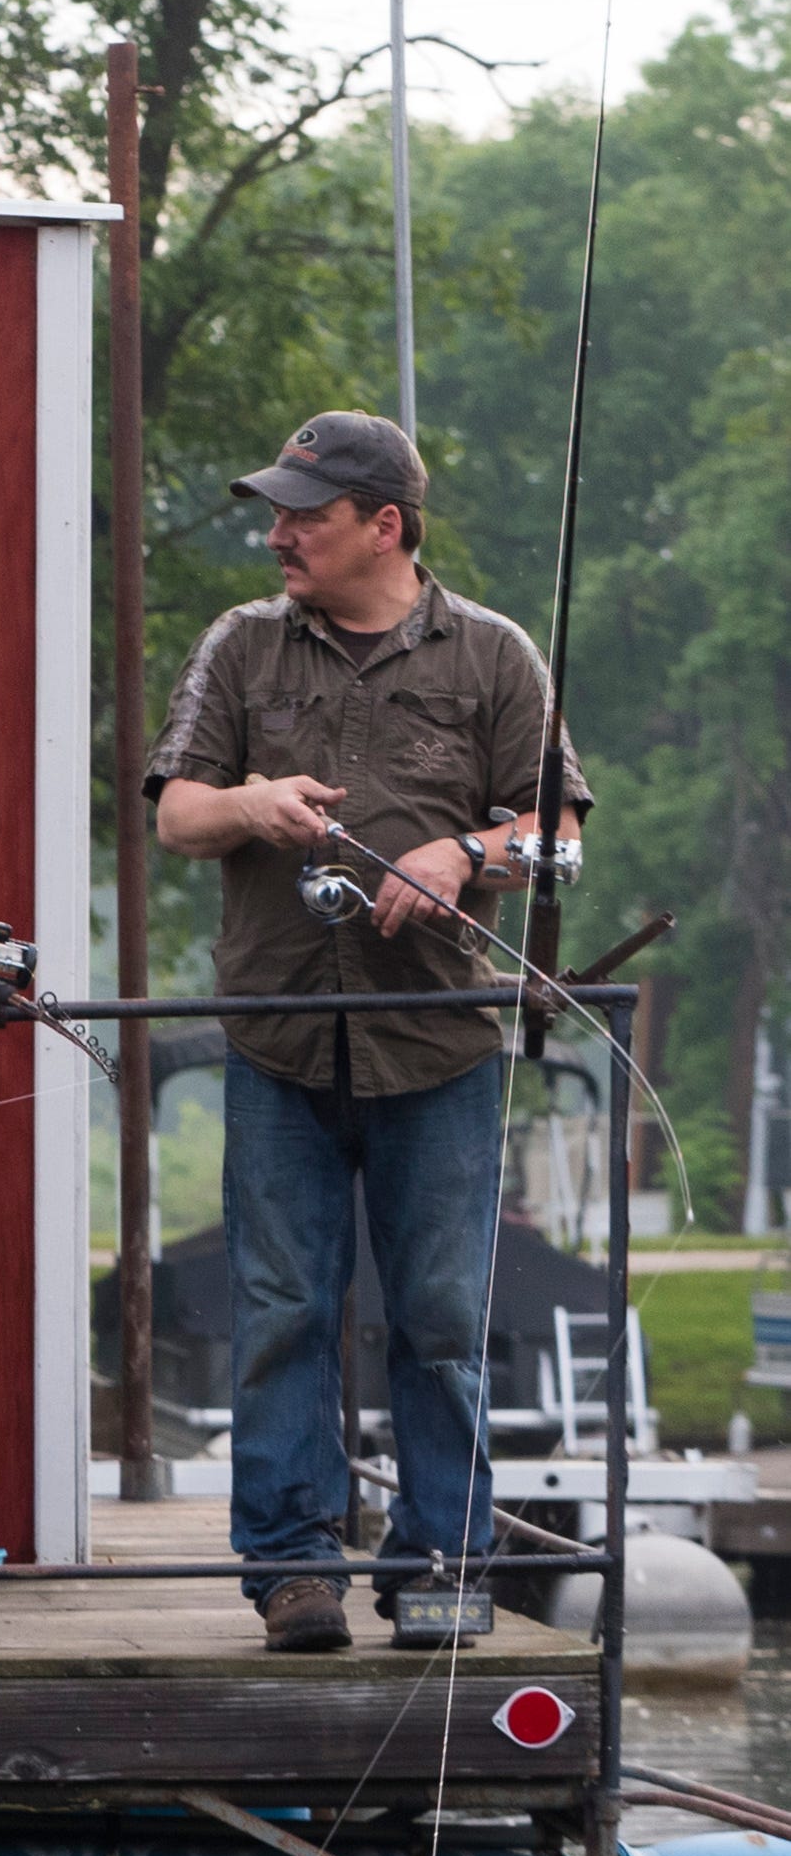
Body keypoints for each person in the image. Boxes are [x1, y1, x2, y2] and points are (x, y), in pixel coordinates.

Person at [150, 410, 586, 1655]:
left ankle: (442, 1563)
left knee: (442, 1316)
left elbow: (559, 839)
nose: (277, 532)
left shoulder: (496, 656)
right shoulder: (239, 645)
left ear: (382, 526)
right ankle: (292, 1570)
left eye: (305, 512)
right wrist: (249, 801)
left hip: (441, 1044)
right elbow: (177, 815)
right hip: (278, 1038)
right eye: (276, 510)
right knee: (281, 1304)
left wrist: (463, 850)